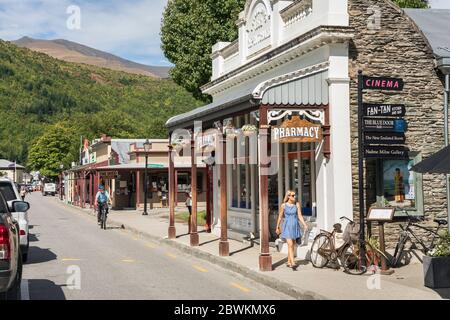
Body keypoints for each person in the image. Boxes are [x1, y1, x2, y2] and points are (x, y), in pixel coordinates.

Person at [276, 190, 308, 270]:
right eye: (293, 195)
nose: (295, 197)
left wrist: (304, 224)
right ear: (288, 196)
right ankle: (293, 262)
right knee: (290, 244)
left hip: (295, 227)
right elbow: (280, 217)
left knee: (292, 245)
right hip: (287, 226)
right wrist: (277, 227)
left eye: (295, 195)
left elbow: (300, 216)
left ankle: (289, 261)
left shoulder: (297, 205)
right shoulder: (283, 205)